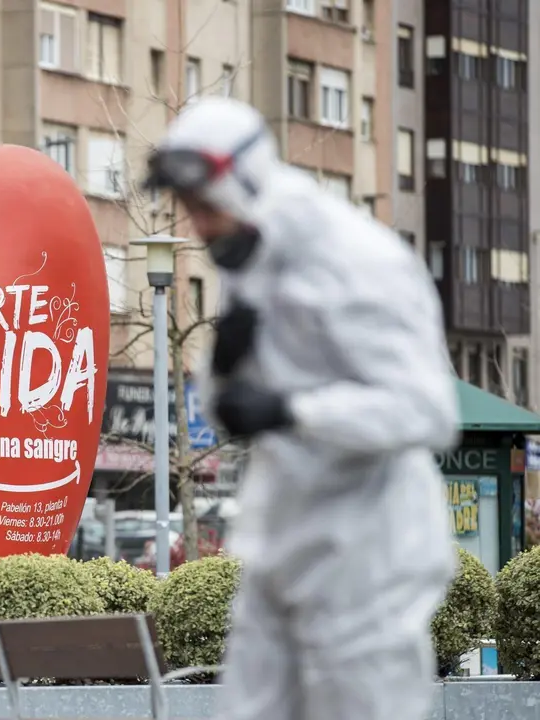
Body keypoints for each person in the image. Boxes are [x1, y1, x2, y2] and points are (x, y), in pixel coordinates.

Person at [143, 97, 459, 720]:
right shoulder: (250, 257)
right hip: (282, 541)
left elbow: (426, 410)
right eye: (189, 209)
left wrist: (294, 411)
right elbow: (237, 411)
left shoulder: (361, 261)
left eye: (204, 207)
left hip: (369, 551)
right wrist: (224, 375)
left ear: (245, 182)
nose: (198, 226)